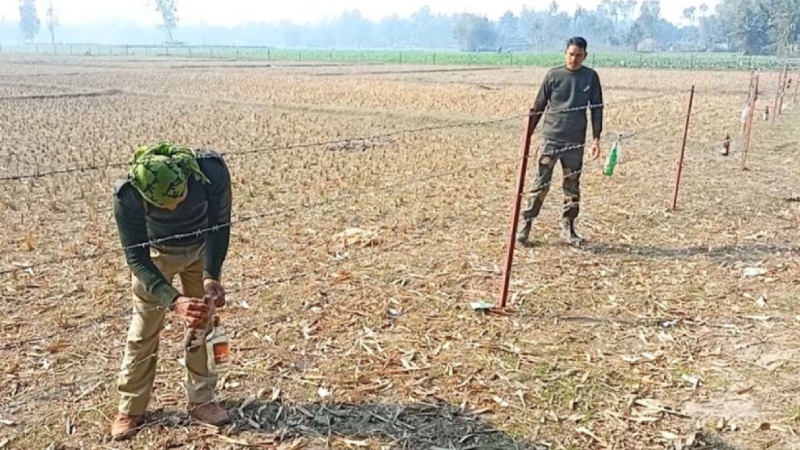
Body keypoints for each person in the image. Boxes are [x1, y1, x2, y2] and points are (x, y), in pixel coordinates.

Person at [110, 142, 232, 440]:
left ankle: (202, 399)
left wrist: (211, 276)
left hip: (201, 247)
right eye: (166, 204)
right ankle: (130, 407)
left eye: (180, 198)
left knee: (205, 323)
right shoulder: (128, 195)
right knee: (143, 332)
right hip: (155, 255)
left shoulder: (210, 172)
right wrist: (173, 301)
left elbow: (220, 225)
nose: (175, 207)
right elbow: (137, 259)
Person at [517, 36, 603, 247]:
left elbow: (597, 108)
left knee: (572, 186)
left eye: (578, 55)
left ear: (585, 56)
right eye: (571, 54)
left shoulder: (590, 77)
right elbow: (538, 106)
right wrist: (528, 135)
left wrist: (596, 138)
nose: (574, 59)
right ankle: (526, 226)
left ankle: (569, 228)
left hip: (575, 141)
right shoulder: (553, 76)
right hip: (551, 139)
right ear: (565, 53)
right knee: (540, 183)